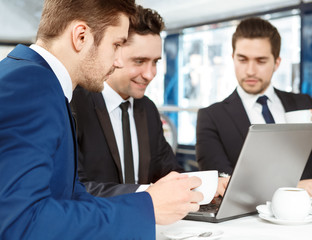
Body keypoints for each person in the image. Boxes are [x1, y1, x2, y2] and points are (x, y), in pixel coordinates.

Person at [0, 1, 202, 239]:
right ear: (81, 36)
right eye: (116, 44)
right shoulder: (31, 86)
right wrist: (147, 206)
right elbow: (20, 223)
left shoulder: (44, 84)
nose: (118, 61)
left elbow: (71, 197)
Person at [196, 17, 312, 198]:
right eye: (242, 60)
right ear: (233, 58)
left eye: (261, 61)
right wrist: (290, 187)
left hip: (307, 222)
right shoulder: (212, 117)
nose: (250, 70)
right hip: (247, 224)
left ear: (277, 63)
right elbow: (222, 186)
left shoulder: (303, 104)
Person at [71, 5, 183, 196]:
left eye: (155, 62)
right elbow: (75, 188)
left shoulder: (147, 109)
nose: (150, 74)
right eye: (139, 61)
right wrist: (147, 194)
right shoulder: (75, 105)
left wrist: (208, 186)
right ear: (113, 52)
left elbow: (170, 172)